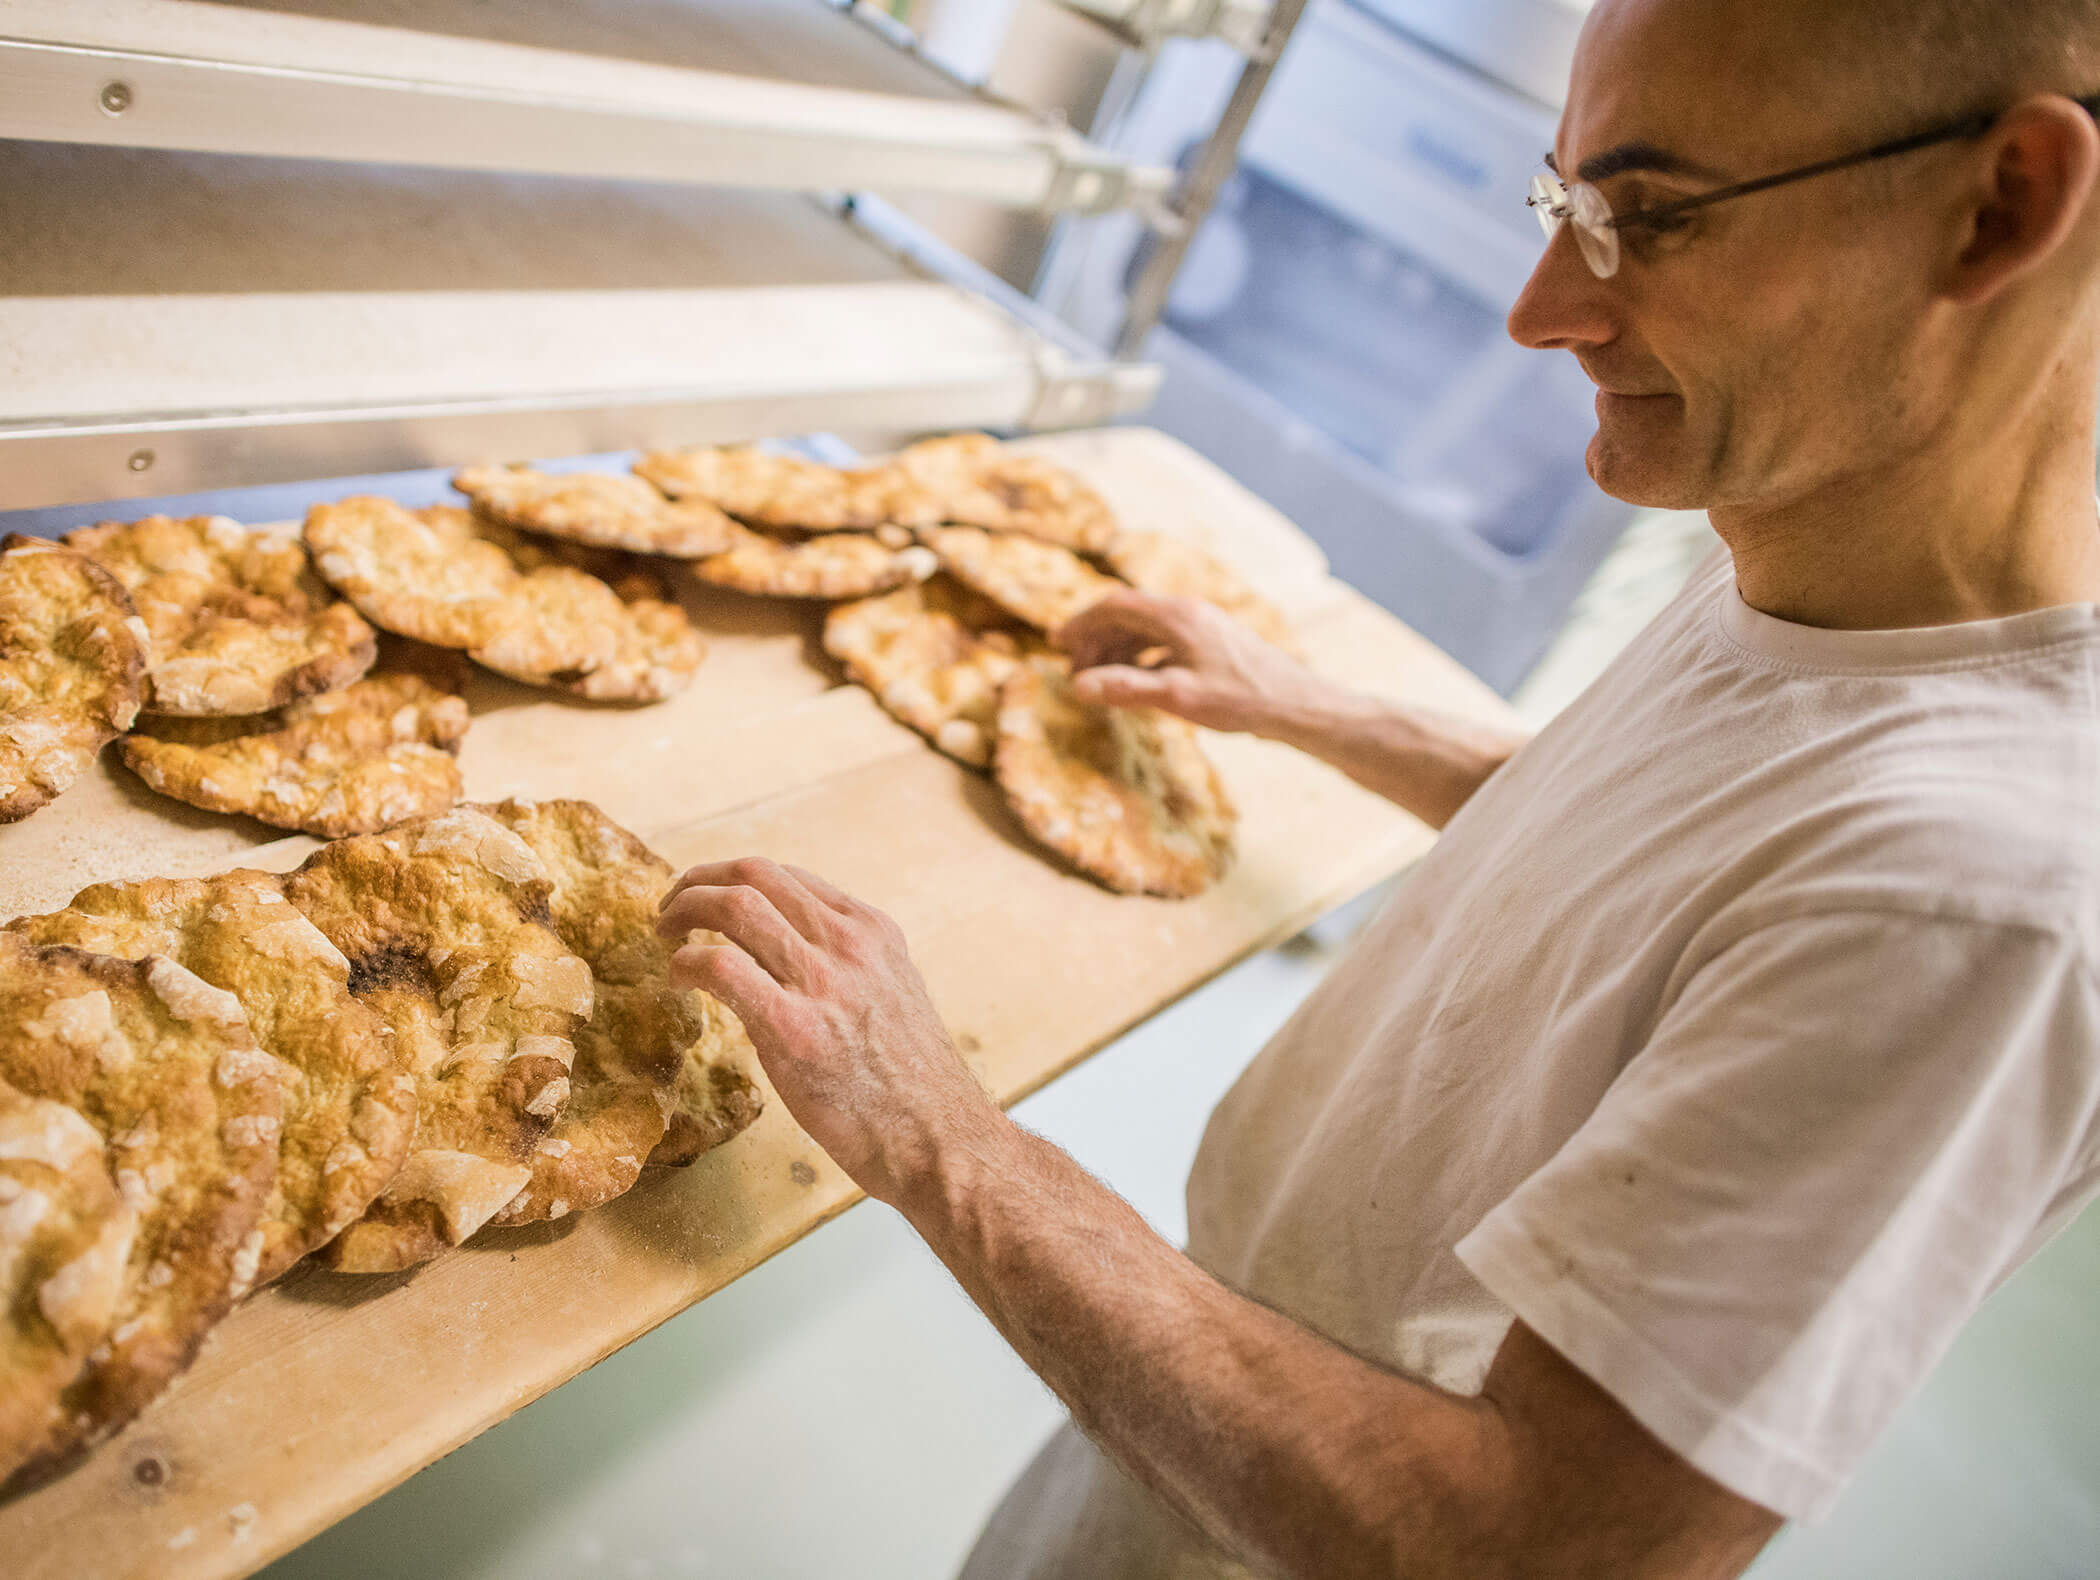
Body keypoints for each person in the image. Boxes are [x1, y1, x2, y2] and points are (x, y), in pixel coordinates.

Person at [653, 0, 2100, 1572]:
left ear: (2003, 202)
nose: (1542, 311)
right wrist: (1308, 705)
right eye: (1563, 204)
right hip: (1179, 1426)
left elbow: (1513, 1546)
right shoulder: (1856, 525)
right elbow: (1681, 880)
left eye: (1651, 218)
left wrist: (940, 1138)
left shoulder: (1977, 908)